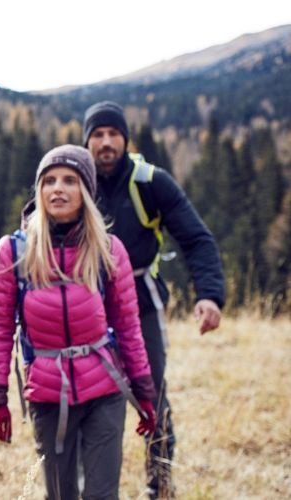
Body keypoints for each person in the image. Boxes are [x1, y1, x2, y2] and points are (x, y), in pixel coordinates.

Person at [0, 145, 157, 499]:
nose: (57, 189)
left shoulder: (108, 250)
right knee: (60, 495)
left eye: (69, 180)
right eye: (48, 181)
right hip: (48, 393)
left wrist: (144, 390)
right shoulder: (12, 252)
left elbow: (128, 326)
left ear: (86, 192)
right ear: (39, 191)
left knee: (101, 494)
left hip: (105, 390)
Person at [82, 101, 225, 498]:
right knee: (84, 399)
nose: (106, 143)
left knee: (152, 392)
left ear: (126, 140)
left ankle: (159, 486)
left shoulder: (150, 182)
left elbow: (197, 239)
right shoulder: (75, 182)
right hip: (85, 304)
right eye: (97, 135)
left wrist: (210, 295)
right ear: (87, 141)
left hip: (141, 299)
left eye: (113, 134)